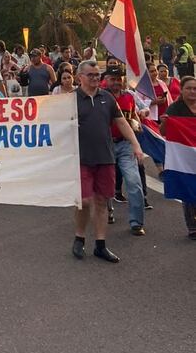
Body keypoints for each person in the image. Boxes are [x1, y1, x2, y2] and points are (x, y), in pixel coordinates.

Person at [72, 61, 144, 264]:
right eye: (91, 75)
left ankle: (100, 245)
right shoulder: (70, 99)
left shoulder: (108, 98)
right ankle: (79, 237)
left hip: (105, 157)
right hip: (80, 158)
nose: (95, 78)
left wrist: (135, 145)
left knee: (102, 201)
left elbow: (122, 122)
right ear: (80, 77)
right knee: (84, 202)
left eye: (97, 75)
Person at [104, 70, 146, 236]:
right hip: (105, 145)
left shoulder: (129, 96)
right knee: (106, 183)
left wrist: (137, 123)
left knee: (134, 183)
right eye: (112, 79)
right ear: (106, 80)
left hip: (125, 144)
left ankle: (136, 222)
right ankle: (108, 210)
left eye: (119, 79)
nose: (116, 82)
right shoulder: (101, 97)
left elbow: (132, 113)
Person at [160, 75, 196, 239]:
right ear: (181, 90)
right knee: (187, 188)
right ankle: (192, 226)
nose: (192, 91)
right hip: (185, 158)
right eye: (188, 88)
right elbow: (163, 132)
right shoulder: (175, 109)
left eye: (195, 88)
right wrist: (166, 122)